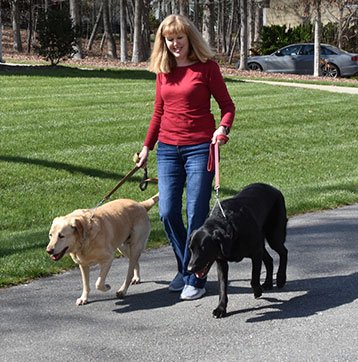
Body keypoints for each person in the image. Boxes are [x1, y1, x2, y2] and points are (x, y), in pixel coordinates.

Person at [136, 14, 235, 301]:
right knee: (167, 211)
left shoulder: (207, 68)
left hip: (200, 148)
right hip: (168, 148)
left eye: (180, 38)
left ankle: (195, 279)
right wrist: (147, 147)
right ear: (163, 42)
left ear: (189, 38)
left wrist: (222, 129)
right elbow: (158, 112)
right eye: (170, 39)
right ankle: (186, 267)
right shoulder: (164, 70)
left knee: (195, 213)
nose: (175, 44)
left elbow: (227, 106)